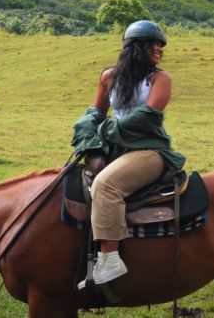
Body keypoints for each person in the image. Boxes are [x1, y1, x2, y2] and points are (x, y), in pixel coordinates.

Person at [71, 20, 185, 289]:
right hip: (116, 151)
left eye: (161, 45)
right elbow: (94, 114)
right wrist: (89, 142)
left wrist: (104, 131)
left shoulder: (159, 79)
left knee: (106, 184)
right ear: (137, 47)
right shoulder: (109, 77)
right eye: (155, 44)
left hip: (149, 152)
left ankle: (110, 260)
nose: (161, 49)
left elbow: (147, 118)